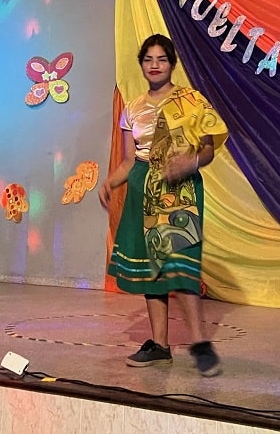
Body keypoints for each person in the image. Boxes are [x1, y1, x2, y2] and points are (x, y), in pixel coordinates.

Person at [99, 33, 228, 377]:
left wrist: (191, 162)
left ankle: (200, 344)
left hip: (179, 190)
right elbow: (130, 160)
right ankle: (159, 346)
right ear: (141, 65)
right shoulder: (133, 108)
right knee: (150, 269)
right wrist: (110, 181)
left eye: (161, 59)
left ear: (172, 64)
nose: (155, 65)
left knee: (180, 266)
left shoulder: (191, 101)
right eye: (148, 59)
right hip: (143, 189)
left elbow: (208, 148)